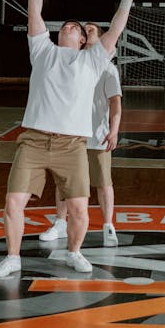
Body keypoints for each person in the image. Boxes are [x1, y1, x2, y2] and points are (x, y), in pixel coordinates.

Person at [0, 0, 141, 278]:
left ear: (84, 40)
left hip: (72, 145)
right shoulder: (42, 51)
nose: (70, 26)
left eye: (76, 27)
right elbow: (35, 11)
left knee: (79, 209)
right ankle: (13, 257)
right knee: (13, 202)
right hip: (33, 141)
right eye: (67, 25)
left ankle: (74, 252)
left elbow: (115, 30)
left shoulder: (93, 60)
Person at [40, 22, 123, 248]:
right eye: (84, 30)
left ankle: (108, 225)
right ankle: (60, 223)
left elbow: (115, 104)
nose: (87, 31)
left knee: (103, 183)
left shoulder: (108, 69)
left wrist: (114, 130)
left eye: (92, 29)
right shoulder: (69, 63)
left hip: (97, 135)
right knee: (64, 182)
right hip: (70, 134)